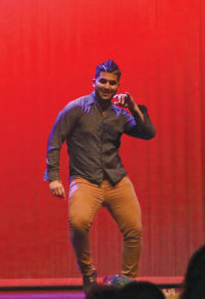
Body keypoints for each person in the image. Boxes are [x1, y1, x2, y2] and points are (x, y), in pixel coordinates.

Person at [43, 60, 155, 294]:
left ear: (118, 86)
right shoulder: (76, 108)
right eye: (102, 81)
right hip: (85, 179)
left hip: (116, 179)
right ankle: (87, 272)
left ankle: (129, 283)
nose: (107, 86)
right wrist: (54, 176)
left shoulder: (120, 115)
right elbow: (55, 140)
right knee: (78, 222)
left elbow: (148, 133)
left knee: (134, 229)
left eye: (112, 83)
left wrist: (134, 106)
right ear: (94, 81)